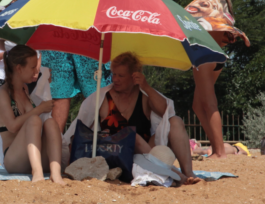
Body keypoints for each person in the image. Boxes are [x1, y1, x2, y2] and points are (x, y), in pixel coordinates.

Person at [18, 0, 119, 132]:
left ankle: (102, 139)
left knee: (95, 93)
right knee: (60, 95)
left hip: (88, 34)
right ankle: (57, 149)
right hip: (58, 38)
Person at [69, 52, 201, 185]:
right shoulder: (103, 98)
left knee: (176, 121)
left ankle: (188, 172)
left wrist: (146, 87)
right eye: (114, 74)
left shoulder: (143, 96)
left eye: (121, 75)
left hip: (146, 152)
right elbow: (82, 129)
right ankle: (174, 173)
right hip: (116, 154)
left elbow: (166, 111)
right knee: (133, 137)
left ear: (134, 77)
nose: (115, 79)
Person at [186, 0, 249, 158]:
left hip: (205, 55)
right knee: (198, 105)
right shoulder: (220, 0)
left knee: (209, 103)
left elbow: (184, 17)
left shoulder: (206, 1)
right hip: (216, 57)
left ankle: (219, 151)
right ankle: (219, 148)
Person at [0, 46, 65, 184]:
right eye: (32, 67)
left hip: (34, 155)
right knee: (34, 120)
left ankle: (56, 173)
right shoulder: (1, 93)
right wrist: (39, 109)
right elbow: (12, 127)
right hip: (14, 160)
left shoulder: (24, 89)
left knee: (50, 122)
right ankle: (37, 173)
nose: (35, 71)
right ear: (19, 68)